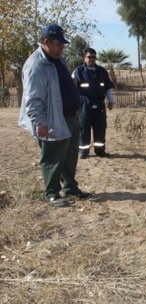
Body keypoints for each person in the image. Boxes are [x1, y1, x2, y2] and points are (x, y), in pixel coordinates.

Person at [19, 23, 91, 207]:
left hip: (70, 116)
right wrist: (39, 123)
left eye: (62, 44)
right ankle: (51, 193)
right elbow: (32, 99)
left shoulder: (57, 59)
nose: (62, 48)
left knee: (70, 154)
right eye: (58, 44)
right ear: (46, 41)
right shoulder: (36, 65)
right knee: (52, 156)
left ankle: (70, 188)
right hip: (52, 119)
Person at [72, 47, 115, 159]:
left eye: (94, 57)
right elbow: (71, 86)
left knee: (100, 128)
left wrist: (110, 100)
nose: (92, 59)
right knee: (84, 128)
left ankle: (100, 151)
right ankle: (83, 151)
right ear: (84, 57)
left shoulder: (102, 71)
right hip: (84, 105)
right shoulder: (78, 71)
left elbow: (108, 88)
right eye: (89, 57)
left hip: (99, 104)